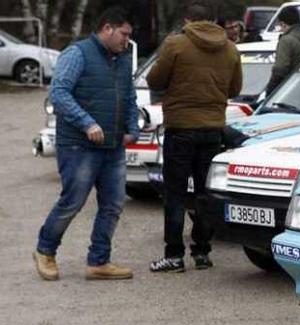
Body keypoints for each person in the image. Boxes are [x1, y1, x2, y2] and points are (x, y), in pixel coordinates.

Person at [34, 7, 138, 281]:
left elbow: (129, 97)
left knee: (113, 204)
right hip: (79, 146)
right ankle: (45, 250)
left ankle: (98, 261)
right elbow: (58, 93)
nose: (126, 41)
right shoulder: (77, 53)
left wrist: (132, 128)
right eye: (123, 34)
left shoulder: (124, 59)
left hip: (113, 146)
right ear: (107, 29)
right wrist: (87, 123)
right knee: (73, 202)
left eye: (129, 35)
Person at [147, 2, 242, 273]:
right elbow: (235, 88)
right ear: (212, 20)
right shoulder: (230, 48)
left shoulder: (176, 44)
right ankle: (202, 252)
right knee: (205, 193)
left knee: (175, 195)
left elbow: (154, 80)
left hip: (180, 129)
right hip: (213, 129)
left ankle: (174, 256)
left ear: (188, 20)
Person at [264, 6, 300, 95]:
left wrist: (269, 92)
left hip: (288, 92)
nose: (280, 29)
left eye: (280, 26)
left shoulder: (286, 40)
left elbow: (280, 69)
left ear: (283, 24)